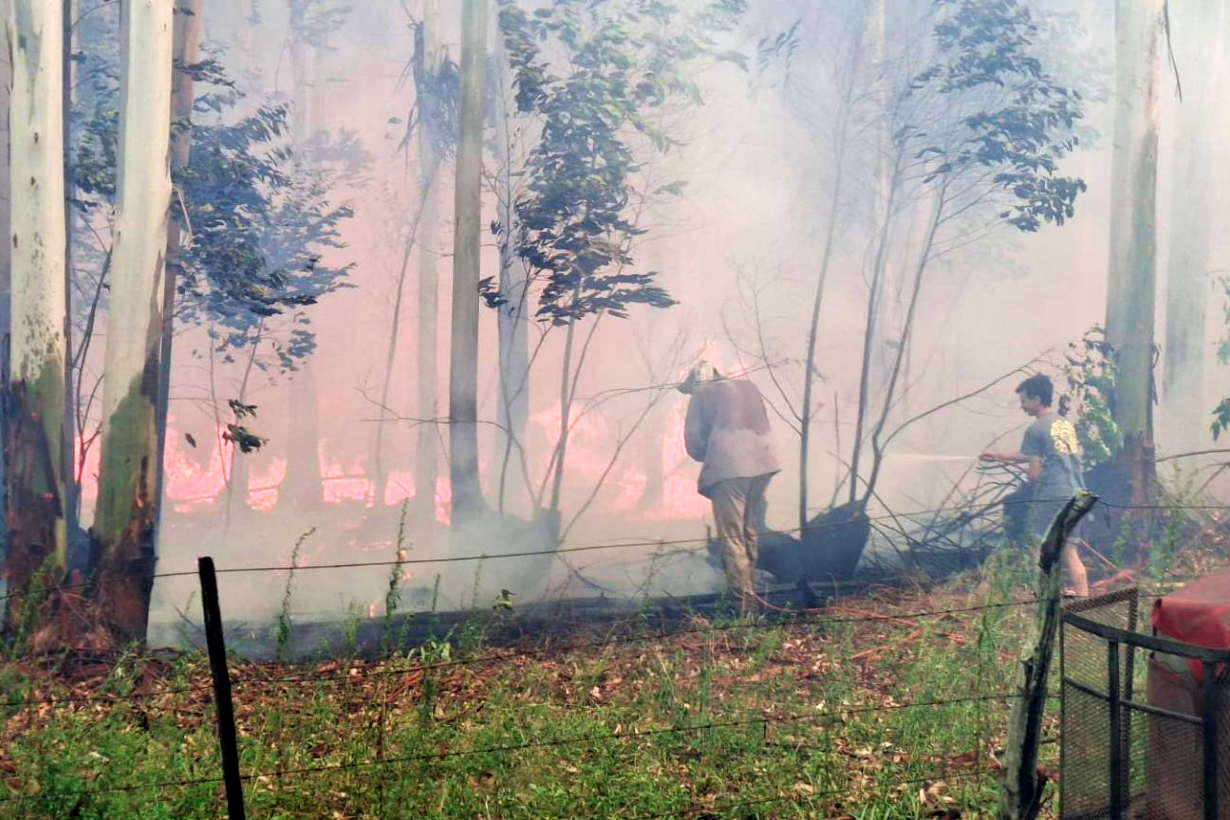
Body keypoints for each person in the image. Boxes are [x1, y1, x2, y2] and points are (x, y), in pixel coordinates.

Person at [680, 361, 781, 614]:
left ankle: (743, 606)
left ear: (693, 382)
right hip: (764, 463)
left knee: (732, 537)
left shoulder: (701, 394)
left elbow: (694, 445)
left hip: (730, 470)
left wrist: (712, 451)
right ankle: (752, 593)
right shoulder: (748, 386)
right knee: (749, 531)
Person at [979, 373, 1090, 597]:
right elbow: (1041, 455)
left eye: (1024, 402)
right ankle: (1083, 599)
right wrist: (999, 456)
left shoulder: (1035, 428)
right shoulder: (1064, 424)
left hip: (1051, 495)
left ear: (1037, 399)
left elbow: (1034, 476)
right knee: (1070, 550)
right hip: (1075, 492)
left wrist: (1028, 470)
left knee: (1038, 546)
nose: (1023, 407)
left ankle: (1045, 598)